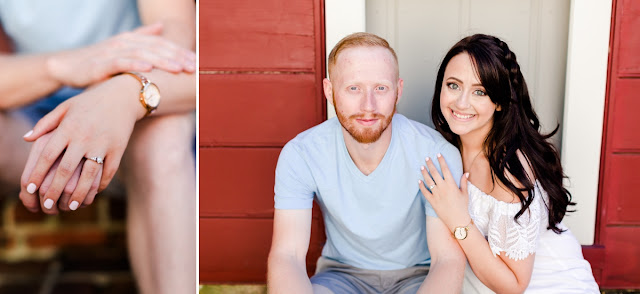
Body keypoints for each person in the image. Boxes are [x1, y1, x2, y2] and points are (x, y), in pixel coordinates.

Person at [0, 1, 196, 293]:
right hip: (34, 113)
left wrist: (118, 95)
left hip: (134, 103)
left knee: (161, 140)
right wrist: (66, 66)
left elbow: (175, 38)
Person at [268, 32, 466, 294]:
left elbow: (447, 260)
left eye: (381, 88)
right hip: (340, 277)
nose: (368, 105)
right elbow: (287, 255)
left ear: (398, 90)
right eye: (354, 88)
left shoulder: (436, 154)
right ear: (330, 91)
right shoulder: (302, 154)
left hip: (418, 277)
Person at [418, 34, 599, 293]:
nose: (461, 102)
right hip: (482, 279)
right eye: (453, 85)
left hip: (546, 285)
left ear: (500, 102)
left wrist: (459, 220)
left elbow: (514, 285)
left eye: (479, 91)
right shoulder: (447, 147)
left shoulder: (510, 169)